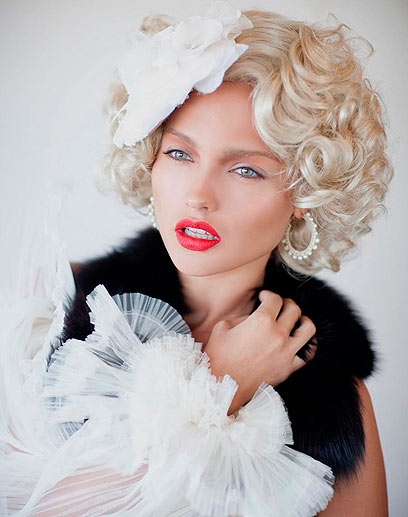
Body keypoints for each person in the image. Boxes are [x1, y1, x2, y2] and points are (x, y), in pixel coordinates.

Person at [0, 2, 391, 515]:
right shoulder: (53, 309)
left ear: (306, 192)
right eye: (180, 154)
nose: (198, 196)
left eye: (246, 170)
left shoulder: (332, 397)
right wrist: (216, 386)